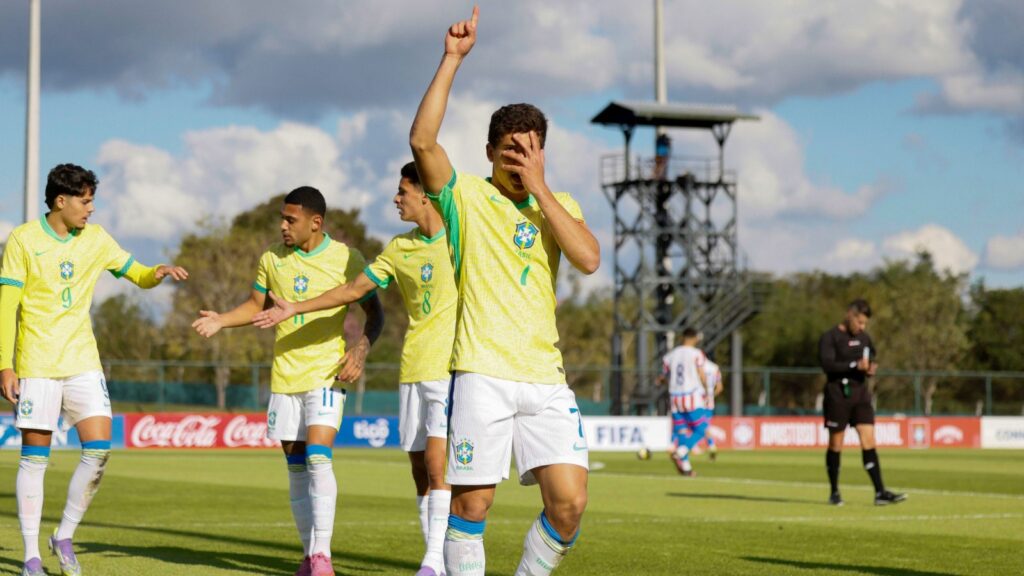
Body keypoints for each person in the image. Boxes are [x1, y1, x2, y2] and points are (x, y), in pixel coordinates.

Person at [408, 7, 601, 575]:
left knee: (569, 505)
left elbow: (588, 259)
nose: (521, 159)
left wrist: (539, 187)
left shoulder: (558, 205)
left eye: (532, 149)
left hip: (545, 376)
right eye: (512, 150)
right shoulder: (465, 196)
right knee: (471, 506)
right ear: (491, 151)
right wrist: (452, 58)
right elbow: (421, 140)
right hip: (481, 373)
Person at [252, 163, 455, 576]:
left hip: (452, 367)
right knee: (419, 468)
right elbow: (352, 291)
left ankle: (433, 564)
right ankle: (433, 559)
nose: (396, 199)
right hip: (413, 367)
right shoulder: (399, 249)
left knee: (439, 465)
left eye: (402, 192)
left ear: (426, 194)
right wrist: (296, 308)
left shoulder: (461, 239)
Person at [0, 163, 189, 576]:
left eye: (92, 200)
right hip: (37, 364)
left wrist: (156, 273)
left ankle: (63, 535)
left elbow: (134, 272)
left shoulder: (97, 239)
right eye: (85, 201)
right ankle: (32, 556)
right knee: (35, 459)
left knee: (99, 449)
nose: (91, 209)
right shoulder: (24, 240)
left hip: (83, 360)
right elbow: (7, 305)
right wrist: (5, 364)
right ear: (60, 201)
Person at [192, 186, 384, 576]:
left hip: (326, 374)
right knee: (296, 467)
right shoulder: (271, 260)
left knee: (318, 456)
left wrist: (361, 349)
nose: (282, 225)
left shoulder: (347, 258)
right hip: (285, 377)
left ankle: (322, 556)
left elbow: (375, 314)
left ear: (316, 222)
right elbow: (255, 305)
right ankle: (307, 555)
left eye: (290, 219)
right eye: (282, 218)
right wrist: (222, 320)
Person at [819, 298, 906, 506]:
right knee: (836, 443)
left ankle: (880, 492)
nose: (862, 327)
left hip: (860, 394)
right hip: (838, 394)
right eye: (859, 322)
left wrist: (870, 368)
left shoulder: (865, 338)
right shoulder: (830, 337)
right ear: (850, 315)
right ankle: (834, 492)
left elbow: (871, 358)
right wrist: (853, 365)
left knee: (869, 440)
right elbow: (827, 365)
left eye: (865, 323)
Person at [661, 328, 708, 476]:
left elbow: (664, 376)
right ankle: (681, 451)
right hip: (691, 395)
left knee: (681, 432)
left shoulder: (670, 355)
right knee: (702, 428)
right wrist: (707, 389)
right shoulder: (696, 354)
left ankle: (686, 468)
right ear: (695, 338)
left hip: (675, 396)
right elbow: (701, 374)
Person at [701, 357, 723, 461]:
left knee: (694, 422)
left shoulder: (697, 366)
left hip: (698, 398)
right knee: (705, 424)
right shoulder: (715, 368)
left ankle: (709, 445)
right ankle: (711, 446)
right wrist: (711, 396)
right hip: (709, 400)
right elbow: (719, 388)